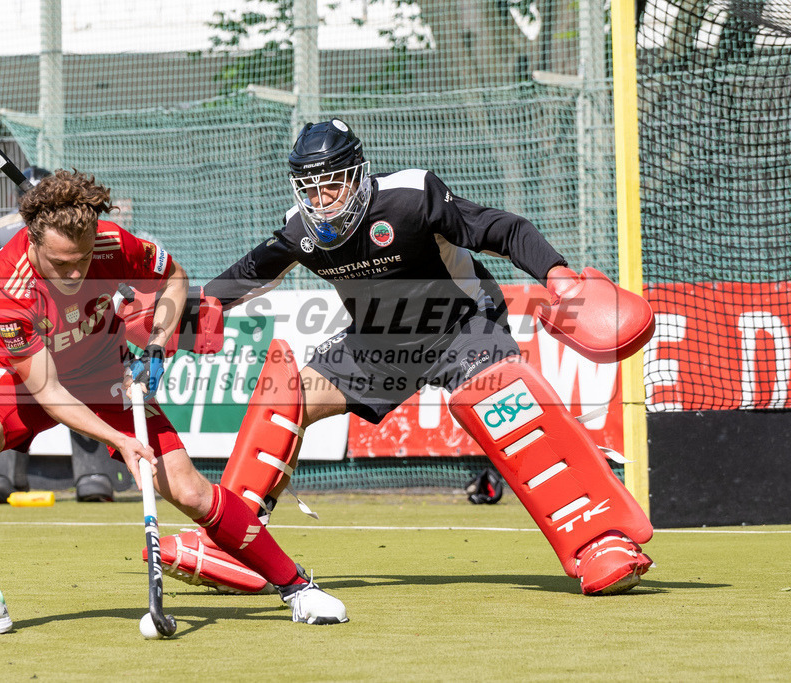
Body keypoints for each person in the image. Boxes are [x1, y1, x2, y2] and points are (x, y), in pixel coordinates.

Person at [155, 118, 655, 598]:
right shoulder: (299, 231)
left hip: (462, 325)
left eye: (330, 185)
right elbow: (244, 277)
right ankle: (240, 543)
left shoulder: (412, 196)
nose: (319, 200)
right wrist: (177, 315)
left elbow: (502, 229)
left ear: (356, 175)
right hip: (378, 343)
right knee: (287, 397)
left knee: (508, 410)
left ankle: (601, 541)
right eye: (309, 189)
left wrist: (559, 279)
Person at [0, 170, 347, 638]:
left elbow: (174, 279)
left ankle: (297, 588)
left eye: (82, 261)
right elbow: (48, 393)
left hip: (105, 376)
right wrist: (118, 442)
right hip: (31, 380)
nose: (75, 274)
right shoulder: (4, 283)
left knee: (188, 490)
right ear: (32, 241)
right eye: (61, 263)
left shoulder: (111, 243)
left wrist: (156, 345)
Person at [0, 166, 124, 504]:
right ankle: (7, 475)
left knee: (78, 389)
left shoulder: (78, 229)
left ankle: (93, 476)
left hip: (72, 323)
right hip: (22, 320)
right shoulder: (2, 231)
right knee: (18, 392)